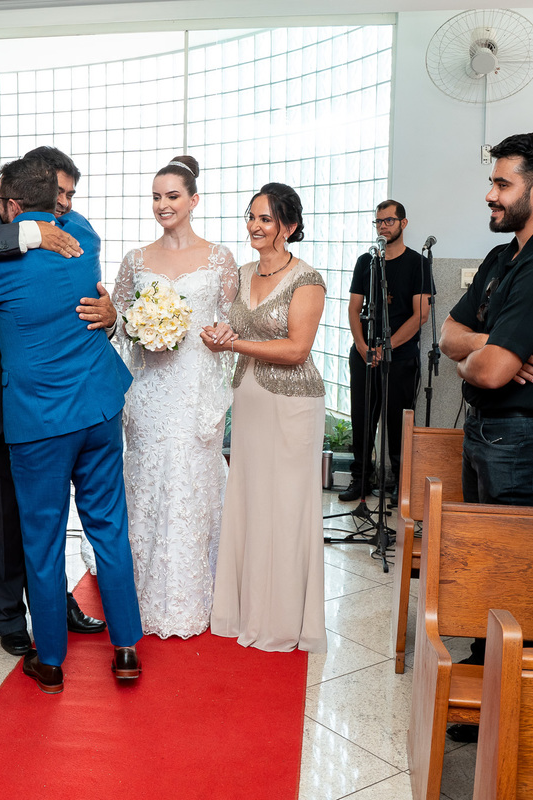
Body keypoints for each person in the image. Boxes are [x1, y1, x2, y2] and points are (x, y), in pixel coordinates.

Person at [0, 156, 142, 693]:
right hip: (98, 409)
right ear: (57, 202)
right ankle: (125, 652)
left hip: (40, 422)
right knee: (109, 530)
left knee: (42, 541)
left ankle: (49, 660)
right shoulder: (83, 237)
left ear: (12, 208)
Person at [112, 155, 237, 638]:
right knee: (147, 475)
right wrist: (140, 327)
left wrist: (225, 329)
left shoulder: (220, 258)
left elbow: (233, 317)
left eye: (173, 196)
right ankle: (140, 592)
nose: (163, 205)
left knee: (191, 478)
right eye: (157, 197)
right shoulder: (136, 260)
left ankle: (196, 591)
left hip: (194, 387)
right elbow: (118, 318)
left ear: (193, 201)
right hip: (149, 388)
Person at [202, 182, 328, 653]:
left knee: (287, 503)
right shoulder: (243, 271)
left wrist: (232, 344)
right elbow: (240, 324)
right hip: (250, 397)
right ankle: (245, 610)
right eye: (251, 217)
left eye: (266, 219)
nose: (254, 226)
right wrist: (221, 332)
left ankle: (284, 619)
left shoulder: (307, 279)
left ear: (289, 226)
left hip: (293, 404)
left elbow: (297, 349)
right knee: (251, 497)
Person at [442, 131, 533, 507]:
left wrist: (470, 362)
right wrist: (487, 343)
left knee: (500, 558)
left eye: (503, 185)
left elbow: (491, 373)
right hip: (486, 426)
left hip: (520, 432)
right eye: (493, 183)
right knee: (477, 545)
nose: (491, 195)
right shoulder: (502, 256)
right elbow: (446, 336)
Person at [340, 199, 433, 501]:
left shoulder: (418, 264)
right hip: (365, 353)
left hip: (400, 356)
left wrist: (389, 345)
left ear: (403, 223)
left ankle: (398, 485)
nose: (383, 226)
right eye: (378, 221)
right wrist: (362, 345)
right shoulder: (366, 262)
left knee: (398, 422)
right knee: (362, 418)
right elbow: (354, 309)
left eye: (389, 221)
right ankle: (361, 479)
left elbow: (421, 314)